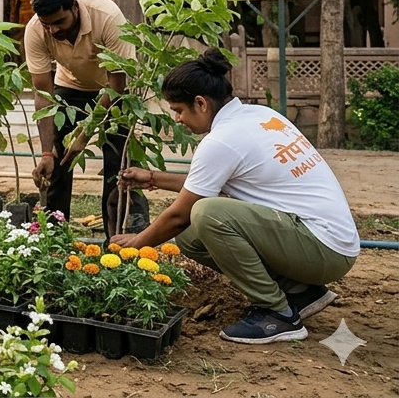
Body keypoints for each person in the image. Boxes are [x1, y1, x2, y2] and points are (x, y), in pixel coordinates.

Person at [111, 48, 359, 344]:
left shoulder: (221, 140)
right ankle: (299, 291)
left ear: (200, 104)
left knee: (205, 214)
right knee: (192, 235)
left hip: (323, 249)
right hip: (331, 241)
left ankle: (279, 315)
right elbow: (214, 184)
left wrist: (137, 244)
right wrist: (153, 178)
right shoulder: (259, 115)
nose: (177, 119)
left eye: (178, 109)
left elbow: (179, 215)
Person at [26, 0, 150, 231]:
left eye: (59, 22)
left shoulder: (107, 16)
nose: (53, 31)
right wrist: (47, 152)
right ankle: (54, 236)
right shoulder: (36, 30)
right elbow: (43, 95)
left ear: (74, 6)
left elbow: (116, 85)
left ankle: (117, 239)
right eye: (46, 24)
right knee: (58, 161)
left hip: (114, 92)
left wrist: (84, 134)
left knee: (119, 166)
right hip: (69, 87)